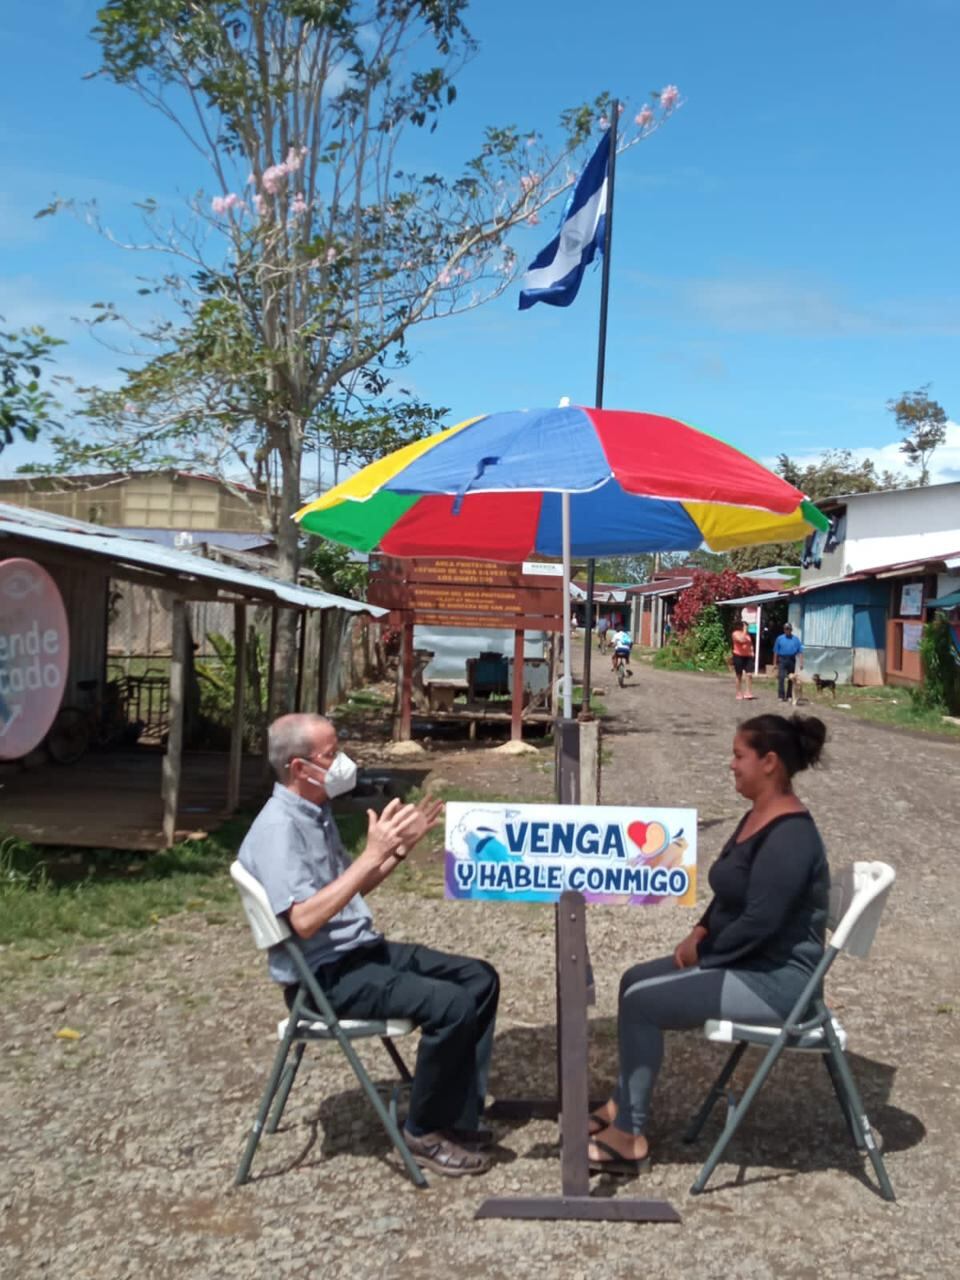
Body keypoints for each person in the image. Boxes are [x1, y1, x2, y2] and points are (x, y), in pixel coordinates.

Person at [238, 713, 500, 1178]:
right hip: (323, 976)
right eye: (330, 754)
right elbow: (303, 920)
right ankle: (423, 1131)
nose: (343, 762)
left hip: (358, 952)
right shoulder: (279, 829)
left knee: (479, 977)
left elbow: (346, 893)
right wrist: (370, 855)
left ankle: (456, 1118)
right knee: (452, 1005)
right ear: (300, 768)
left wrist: (398, 850)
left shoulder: (313, 813)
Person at [586, 713, 829, 1174]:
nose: (731, 764)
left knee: (643, 1004)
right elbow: (731, 891)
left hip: (777, 983)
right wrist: (700, 930)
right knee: (633, 981)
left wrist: (706, 954)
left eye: (740, 756)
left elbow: (761, 921)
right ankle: (623, 1102)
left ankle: (629, 1136)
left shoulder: (792, 835)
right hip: (749, 963)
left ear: (770, 762)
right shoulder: (758, 815)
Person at [773, 622, 804, 702]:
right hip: (782, 659)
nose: (787, 630)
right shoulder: (779, 638)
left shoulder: (795, 639)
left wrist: (801, 662)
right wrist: (774, 663)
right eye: (786, 629)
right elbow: (776, 651)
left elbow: (800, 651)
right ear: (784, 630)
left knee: (791, 678)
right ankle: (781, 695)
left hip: (791, 659)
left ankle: (789, 695)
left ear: (791, 630)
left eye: (788, 629)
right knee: (781, 677)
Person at [730, 616, 756, 701]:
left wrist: (752, 652)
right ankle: (738, 692)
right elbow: (741, 640)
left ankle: (748, 692)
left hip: (748, 656)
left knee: (749, 674)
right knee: (739, 675)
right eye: (744, 625)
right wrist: (744, 631)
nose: (746, 627)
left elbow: (750, 644)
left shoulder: (747, 634)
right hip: (738, 655)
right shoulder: (735, 633)